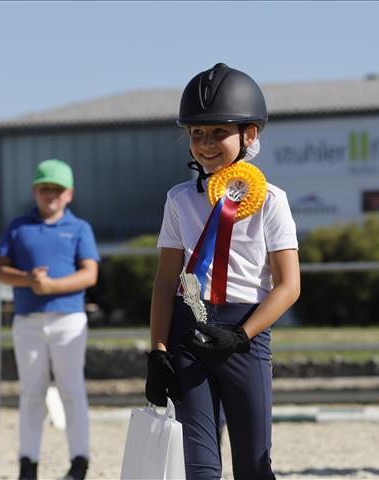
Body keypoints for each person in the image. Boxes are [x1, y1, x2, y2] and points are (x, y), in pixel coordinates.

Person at [144, 63, 300, 480]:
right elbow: (165, 281)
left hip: (244, 336)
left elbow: (288, 286)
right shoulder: (179, 199)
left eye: (218, 132)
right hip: (188, 333)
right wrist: (157, 350)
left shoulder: (272, 201)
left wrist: (241, 335)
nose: (206, 144)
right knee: (199, 468)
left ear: (250, 135)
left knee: (253, 466)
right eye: (197, 133)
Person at [0, 159, 99, 480]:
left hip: (68, 318)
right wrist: (28, 279)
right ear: (35, 191)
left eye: (57, 189)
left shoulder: (80, 228)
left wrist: (52, 286)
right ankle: (28, 462)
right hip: (27, 319)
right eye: (44, 189)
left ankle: (79, 460)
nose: (50, 195)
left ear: (69, 194)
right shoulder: (18, 227)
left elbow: (89, 274)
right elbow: (0, 270)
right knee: (31, 391)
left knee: (71, 388)